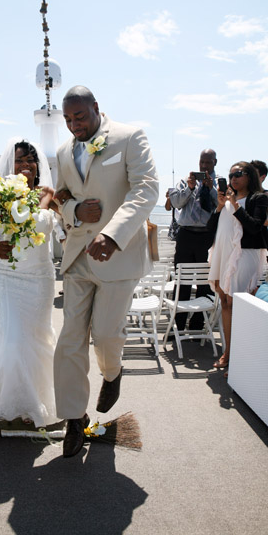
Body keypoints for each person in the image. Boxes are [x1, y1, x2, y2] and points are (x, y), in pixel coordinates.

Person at [53, 86, 159, 457]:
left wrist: (113, 236)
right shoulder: (63, 152)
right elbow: (60, 196)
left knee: (105, 335)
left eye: (79, 117)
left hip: (119, 255)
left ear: (96, 108)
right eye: (67, 120)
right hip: (77, 256)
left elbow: (147, 190)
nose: (74, 126)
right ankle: (72, 419)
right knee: (69, 339)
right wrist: (74, 212)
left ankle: (113, 373)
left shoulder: (130, 137)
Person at [0, 140, 58, 427]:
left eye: (31, 160)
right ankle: (11, 400)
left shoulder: (46, 192)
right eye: (20, 160)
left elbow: (42, 221)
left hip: (39, 276)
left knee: (36, 336)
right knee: (13, 338)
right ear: (10, 163)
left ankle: (38, 398)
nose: (26, 165)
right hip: (5, 274)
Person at [207, 162, 268, 376]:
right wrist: (220, 206)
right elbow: (210, 229)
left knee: (238, 303)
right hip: (223, 254)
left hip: (245, 254)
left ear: (250, 176)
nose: (233, 178)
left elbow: (254, 227)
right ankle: (228, 352)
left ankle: (240, 359)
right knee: (224, 301)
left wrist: (236, 205)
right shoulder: (225, 202)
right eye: (231, 174)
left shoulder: (259, 198)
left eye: (238, 174)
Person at [168, 149, 218, 331]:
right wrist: (189, 188)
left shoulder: (218, 183)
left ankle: (197, 326)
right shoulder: (185, 181)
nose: (204, 166)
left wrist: (211, 188)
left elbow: (220, 204)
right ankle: (178, 326)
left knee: (205, 282)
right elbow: (176, 203)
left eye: (208, 162)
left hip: (206, 235)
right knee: (182, 280)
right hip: (186, 234)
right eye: (202, 162)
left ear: (215, 162)